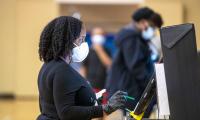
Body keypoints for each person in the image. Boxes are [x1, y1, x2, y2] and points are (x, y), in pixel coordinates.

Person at [37, 16, 128, 120]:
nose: (83, 44)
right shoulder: (61, 70)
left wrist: (91, 99)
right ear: (68, 40)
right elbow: (66, 112)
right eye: (81, 39)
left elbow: (50, 105)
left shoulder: (48, 65)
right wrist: (106, 108)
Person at [105, 7, 163, 116]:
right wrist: (151, 87)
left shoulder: (136, 39)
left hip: (130, 92)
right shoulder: (131, 39)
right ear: (143, 22)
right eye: (152, 26)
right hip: (130, 93)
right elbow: (136, 67)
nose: (153, 30)